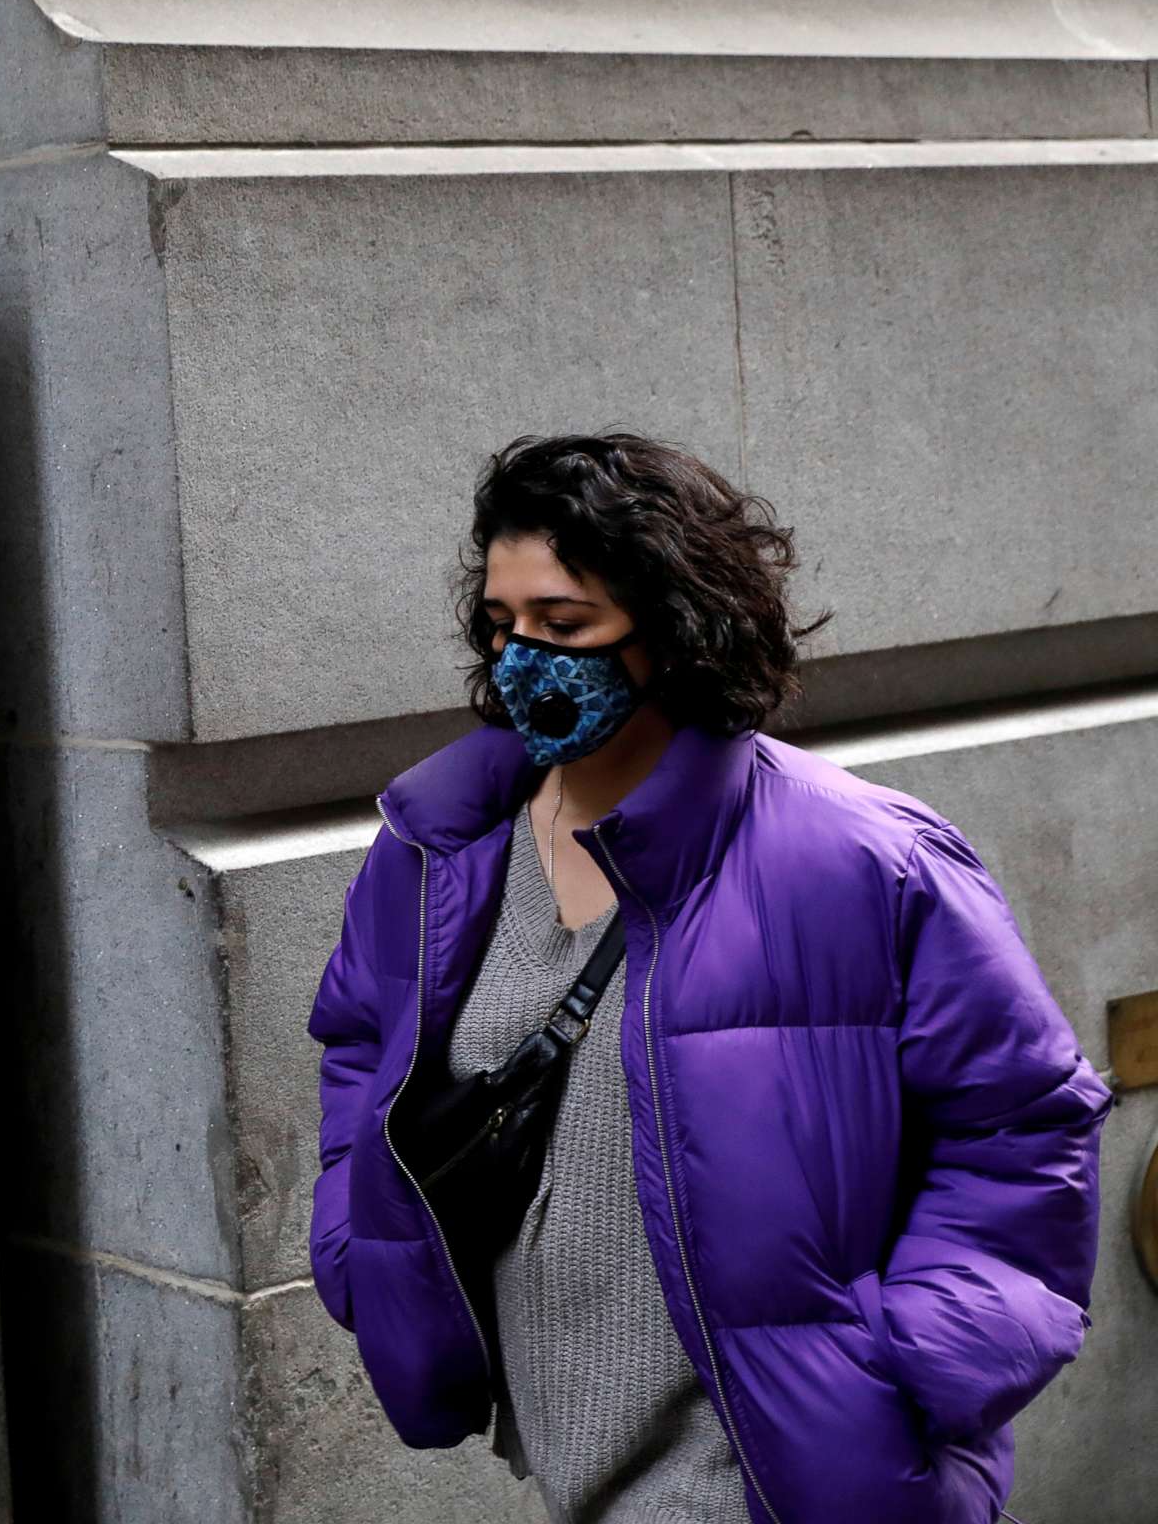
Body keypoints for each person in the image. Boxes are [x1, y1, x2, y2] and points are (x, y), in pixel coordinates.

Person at [304, 432, 1112, 1524]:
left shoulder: (862, 860)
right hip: (569, 1474)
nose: (521, 659)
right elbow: (363, 1052)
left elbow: (1023, 1124)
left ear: (676, 627)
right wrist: (360, 1252)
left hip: (782, 1486)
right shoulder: (436, 849)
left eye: (565, 624)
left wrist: (906, 1369)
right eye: (502, 625)